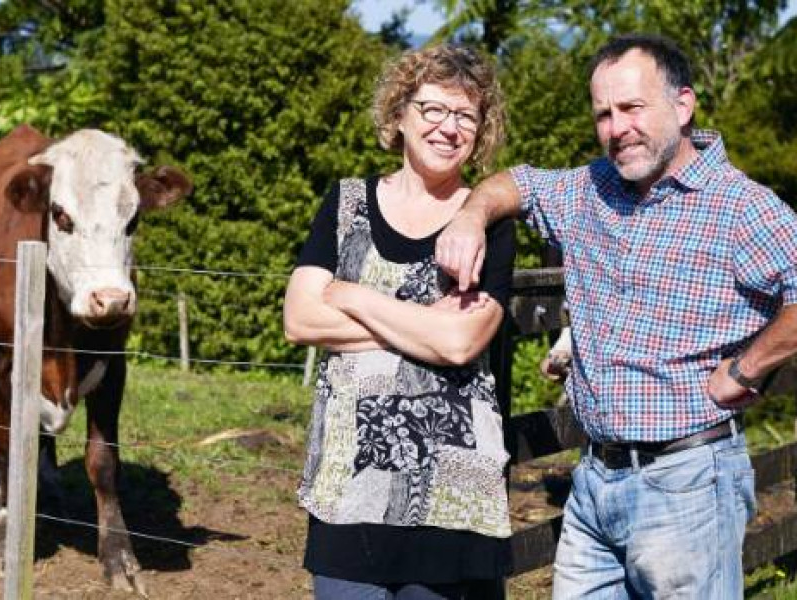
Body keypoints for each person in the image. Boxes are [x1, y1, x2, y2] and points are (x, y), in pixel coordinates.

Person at [435, 33, 797, 599]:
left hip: (688, 480)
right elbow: (520, 184)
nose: (616, 127)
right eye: (603, 113)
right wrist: (471, 214)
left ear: (682, 104)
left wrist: (747, 369)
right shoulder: (591, 189)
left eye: (631, 107)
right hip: (595, 480)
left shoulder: (738, 207)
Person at [284, 43, 515, 600]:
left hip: (452, 493)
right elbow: (300, 319)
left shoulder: (487, 224)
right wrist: (422, 325)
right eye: (433, 109)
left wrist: (352, 294)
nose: (448, 127)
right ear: (399, 115)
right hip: (348, 481)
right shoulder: (345, 205)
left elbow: (461, 343)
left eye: (465, 116)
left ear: (480, 131)